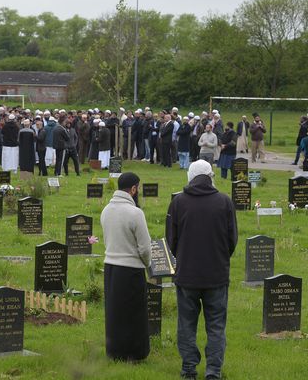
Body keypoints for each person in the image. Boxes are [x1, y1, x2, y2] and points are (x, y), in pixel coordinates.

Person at [166, 160, 238, 380]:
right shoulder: (224, 202)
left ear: (190, 176)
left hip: (187, 275)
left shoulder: (178, 202)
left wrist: (184, 259)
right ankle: (213, 371)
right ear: (210, 176)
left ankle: (189, 369)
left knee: (186, 324)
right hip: (216, 274)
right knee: (216, 325)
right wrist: (220, 259)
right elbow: (232, 239)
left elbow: (171, 241)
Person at [101, 172, 151, 362]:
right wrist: (147, 265)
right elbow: (145, 248)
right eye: (137, 188)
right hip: (131, 268)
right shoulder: (135, 213)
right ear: (133, 189)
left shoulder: (106, 210)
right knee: (134, 313)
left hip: (111, 267)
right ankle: (135, 353)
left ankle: (115, 352)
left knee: (115, 313)